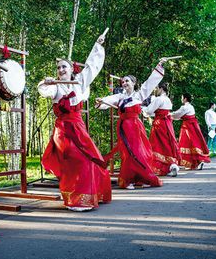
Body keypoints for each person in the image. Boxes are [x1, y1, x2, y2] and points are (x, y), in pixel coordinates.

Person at [37, 32, 111, 211]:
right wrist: (45, 82)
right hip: (63, 132)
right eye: (59, 68)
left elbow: (92, 66)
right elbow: (42, 90)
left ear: (71, 69)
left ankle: (88, 195)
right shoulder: (55, 87)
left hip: (79, 128)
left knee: (90, 160)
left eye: (64, 67)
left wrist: (98, 45)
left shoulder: (80, 83)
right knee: (75, 160)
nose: (61, 70)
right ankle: (76, 199)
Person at [95, 59, 166, 190]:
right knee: (127, 154)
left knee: (139, 152)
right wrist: (102, 101)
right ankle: (128, 180)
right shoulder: (120, 97)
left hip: (136, 129)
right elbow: (109, 100)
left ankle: (142, 177)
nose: (124, 83)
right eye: (123, 81)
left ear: (134, 83)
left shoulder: (139, 95)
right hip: (124, 129)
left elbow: (150, 83)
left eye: (127, 81)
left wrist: (159, 66)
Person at [142, 82, 181, 177]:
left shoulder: (159, 99)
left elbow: (149, 111)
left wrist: (142, 108)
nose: (155, 90)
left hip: (159, 124)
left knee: (158, 145)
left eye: (156, 88)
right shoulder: (167, 99)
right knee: (168, 143)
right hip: (167, 123)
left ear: (160, 88)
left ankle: (166, 166)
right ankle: (172, 165)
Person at [171, 93, 210, 170]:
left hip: (187, 127)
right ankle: (195, 162)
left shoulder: (184, 107)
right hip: (193, 126)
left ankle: (195, 162)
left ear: (185, 99)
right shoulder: (191, 107)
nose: (181, 99)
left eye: (182, 98)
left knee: (187, 143)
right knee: (194, 143)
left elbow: (177, 114)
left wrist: (168, 114)